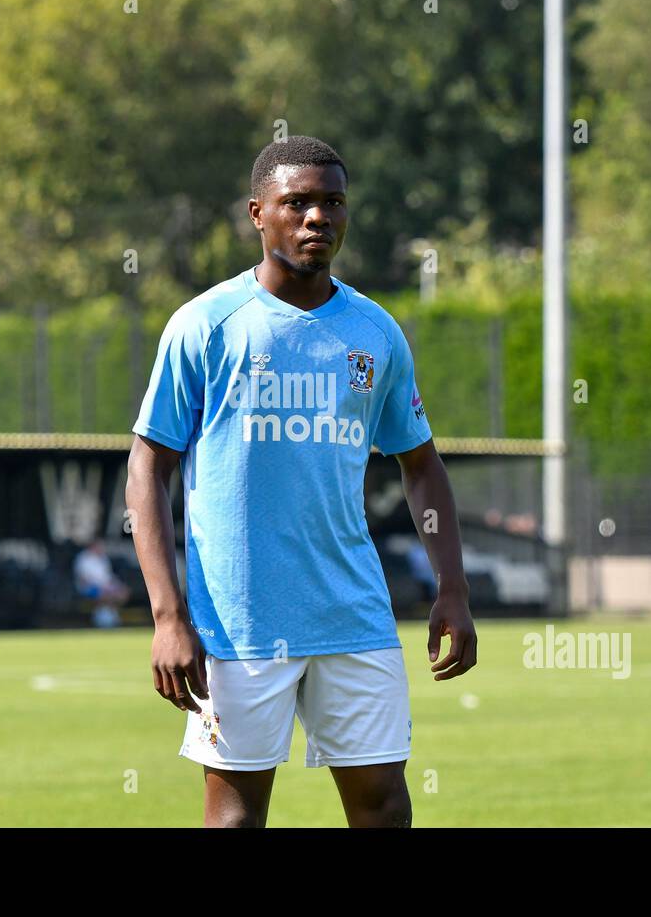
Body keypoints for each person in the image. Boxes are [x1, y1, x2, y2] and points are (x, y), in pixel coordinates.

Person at [126, 136, 475, 828]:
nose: (318, 217)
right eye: (298, 203)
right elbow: (148, 466)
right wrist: (169, 617)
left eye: (333, 202)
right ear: (259, 214)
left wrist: (453, 589)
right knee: (234, 820)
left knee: (383, 809)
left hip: (354, 615)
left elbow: (421, 465)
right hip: (239, 623)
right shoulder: (206, 326)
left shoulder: (374, 332)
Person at [72, 539, 131, 628]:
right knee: (105, 594)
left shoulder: (103, 558)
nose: (101, 548)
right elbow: (83, 580)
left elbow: (109, 576)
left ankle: (109, 616)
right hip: (88, 588)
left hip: (106, 587)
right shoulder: (83, 558)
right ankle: (103, 619)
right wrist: (102, 587)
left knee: (123, 592)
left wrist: (117, 585)